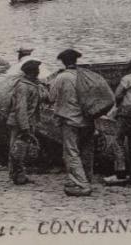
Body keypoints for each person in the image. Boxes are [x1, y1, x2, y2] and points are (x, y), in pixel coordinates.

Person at [51, 48, 94, 196]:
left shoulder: (62, 77)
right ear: (76, 60)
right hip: (88, 120)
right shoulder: (85, 75)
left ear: (63, 62)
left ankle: (81, 185)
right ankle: (87, 178)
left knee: (71, 152)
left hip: (70, 120)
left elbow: (51, 97)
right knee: (86, 150)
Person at [103, 57, 131, 187]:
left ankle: (120, 173)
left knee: (118, 141)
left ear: (129, 68)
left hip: (125, 113)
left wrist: (117, 107)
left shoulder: (126, 79)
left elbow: (117, 95)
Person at [7, 59, 43, 185]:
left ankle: (19, 175)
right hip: (20, 123)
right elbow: (20, 108)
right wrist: (25, 127)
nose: (39, 72)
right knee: (17, 150)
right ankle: (17, 176)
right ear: (32, 72)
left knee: (22, 150)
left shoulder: (32, 84)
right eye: (37, 70)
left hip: (27, 121)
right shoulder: (23, 86)